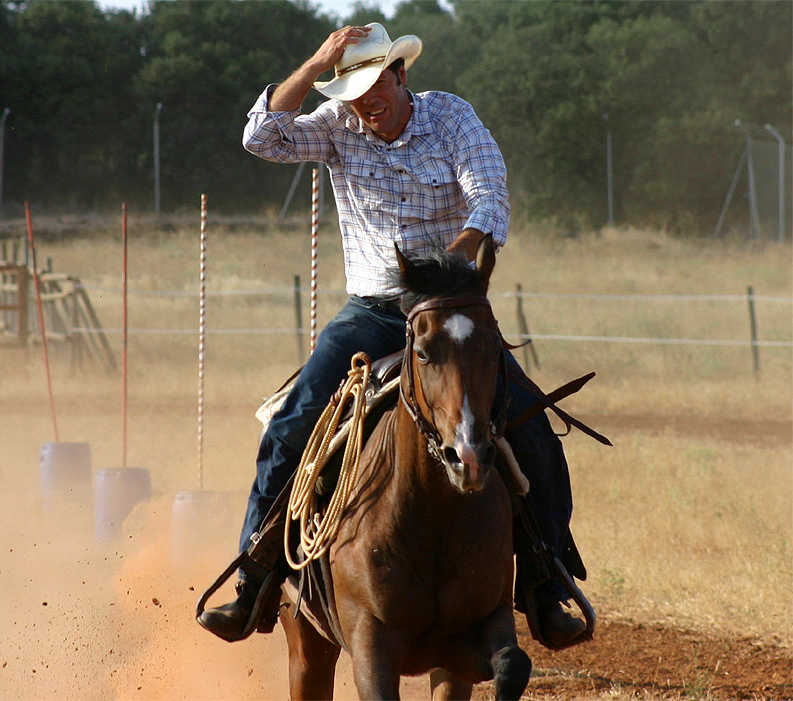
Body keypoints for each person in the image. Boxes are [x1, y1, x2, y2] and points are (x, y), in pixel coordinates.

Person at [198, 22, 588, 649]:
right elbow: (260, 137)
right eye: (351, 91)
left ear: (401, 74)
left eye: (374, 84)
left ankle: (547, 581)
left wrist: (453, 265)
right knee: (292, 424)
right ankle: (256, 579)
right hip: (374, 311)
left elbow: (490, 196)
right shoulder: (336, 125)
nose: (365, 102)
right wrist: (317, 63)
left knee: (531, 427)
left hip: (450, 304)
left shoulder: (451, 119)